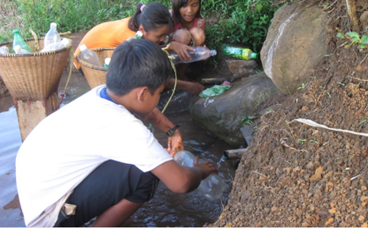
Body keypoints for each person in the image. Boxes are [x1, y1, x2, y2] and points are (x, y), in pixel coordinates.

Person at [16, 39, 218, 227]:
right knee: (146, 173)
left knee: (146, 160)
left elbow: (146, 111)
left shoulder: (101, 93)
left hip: (35, 193)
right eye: (158, 93)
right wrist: (200, 171)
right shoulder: (126, 128)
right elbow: (180, 183)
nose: (158, 98)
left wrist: (172, 130)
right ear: (142, 94)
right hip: (47, 217)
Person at [73, 2, 205, 96]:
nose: (163, 39)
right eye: (160, 36)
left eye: (165, 35)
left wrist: (171, 45)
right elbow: (154, 78)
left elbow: (154, 48)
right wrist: (190, 86)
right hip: (87, 61)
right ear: (142, 30)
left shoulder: (143, 25)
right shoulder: (130, 38)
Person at [170, 0, 207, 80]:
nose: (190, 11)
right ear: (176, 3)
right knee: (183, 35)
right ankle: (169, 73)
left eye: (194, 5)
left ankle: (180, 73)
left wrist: (203, 53)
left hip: (184, 59)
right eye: (184, 6)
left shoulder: (200, 23)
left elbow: (196, 51)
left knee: (198, 34)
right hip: (167, 55)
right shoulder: (168, 18)